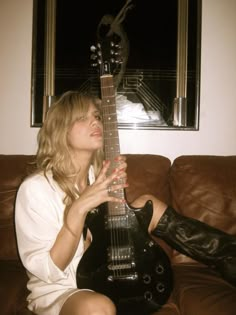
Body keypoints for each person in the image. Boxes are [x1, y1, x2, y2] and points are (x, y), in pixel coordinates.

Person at [15, 90, 236, 315]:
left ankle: (230, 257)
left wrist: (117, 201)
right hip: (62, 288)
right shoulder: (36, 189)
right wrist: (79, 208)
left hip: (101, 273)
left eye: (97, 116)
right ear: (60, 130)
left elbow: (109, 234)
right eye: (83, 117)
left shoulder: (97, 176)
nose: (95, 121)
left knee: (147, 202)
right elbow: (50, 271)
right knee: (98, 307)